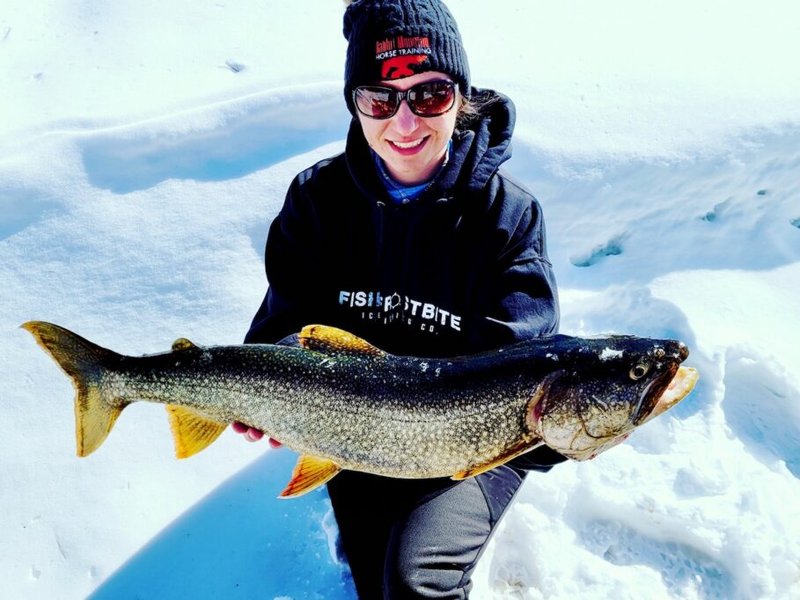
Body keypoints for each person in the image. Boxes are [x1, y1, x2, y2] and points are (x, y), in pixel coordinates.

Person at [236, 0, 565, 597]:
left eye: (431, 95)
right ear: (356, 106)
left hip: (474, 442)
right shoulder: (317, 201)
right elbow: (282, 322)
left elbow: (519, 369)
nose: (406, 123)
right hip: (352, 425)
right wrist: (269, 388)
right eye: (382, 99)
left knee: (416, 581)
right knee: (373, 582)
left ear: (461, 95)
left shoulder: (508, 216)